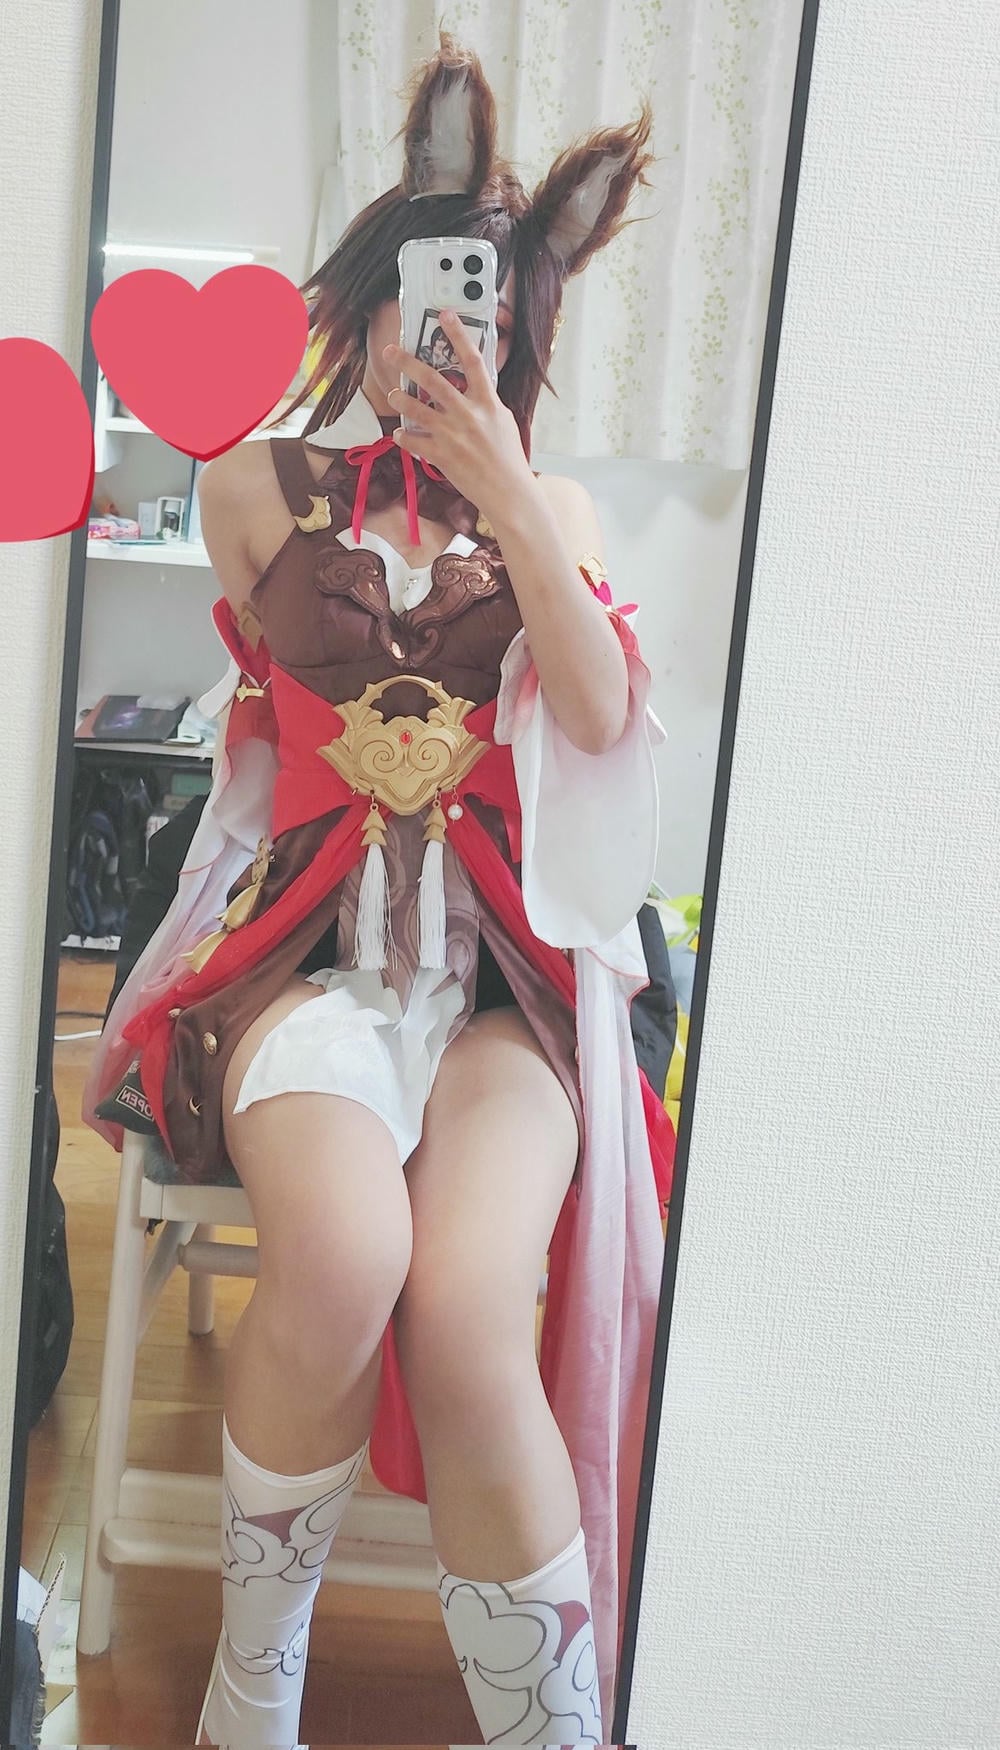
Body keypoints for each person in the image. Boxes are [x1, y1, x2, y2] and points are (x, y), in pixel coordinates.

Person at [84, 33, 672, 1749]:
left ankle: (556, 1729)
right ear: (383, 287)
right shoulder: (260, 488)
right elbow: (268, 667)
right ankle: (248, 1693)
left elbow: (597, 715)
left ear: (523, 329)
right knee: (344, 1254)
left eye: (485, 307)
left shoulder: (555, 510)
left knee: (471, 1302)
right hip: (316, 964)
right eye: (431, 289)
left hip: (495, 988)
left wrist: (506, 494)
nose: (448, 334)